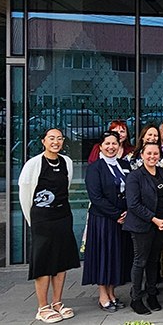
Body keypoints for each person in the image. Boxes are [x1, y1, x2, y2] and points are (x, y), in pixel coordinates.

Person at [19, 128, 80, 323]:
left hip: (62, 216)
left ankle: (57, 302)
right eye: (51, 138)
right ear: (43, 141)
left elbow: (67, 186)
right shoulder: (34, 164)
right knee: (43, 262)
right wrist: (34, 220)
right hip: (41, 218)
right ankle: (42, 306)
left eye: (59, 138)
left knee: (61, 261)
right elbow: (25, 194)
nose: (56, 142)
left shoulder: (66, 162)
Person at [124, 142, 163, 315]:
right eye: (149, 153)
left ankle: (152, 294)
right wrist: (154, 219)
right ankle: (136, 298)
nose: (153, 157)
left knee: (155, 260)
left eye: (156, 154)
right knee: (140, 261)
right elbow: (133, 204)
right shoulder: (135, 176)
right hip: (143, 225)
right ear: (142, 155)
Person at [82, 131, 131, 312]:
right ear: (100, 146)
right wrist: (116, 214)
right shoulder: (95, 168)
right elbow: (96, 197)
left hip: (122, 219)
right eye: (107, 143)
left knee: (116, 256)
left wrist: (126, 213)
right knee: (104, 257)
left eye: (114, 143)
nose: (111, 147)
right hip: (103, 220)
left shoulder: (124, 164)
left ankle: (112, 294)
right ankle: (103, 295)